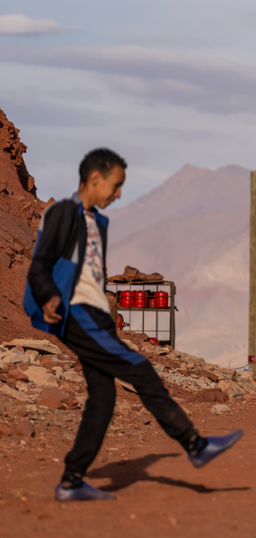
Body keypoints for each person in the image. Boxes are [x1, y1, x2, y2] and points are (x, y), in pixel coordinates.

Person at [23, 148, 241, 502]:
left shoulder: (97, 222)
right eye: (116, 185)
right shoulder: (63, 213)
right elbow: (39, 265)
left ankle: (72, 480)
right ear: (95, 178)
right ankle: (194, 444)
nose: (119, 193)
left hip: (96, 317)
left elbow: (89, 274)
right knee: (140, 369)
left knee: (104, 396)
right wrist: (48, 296)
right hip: (76, 314)